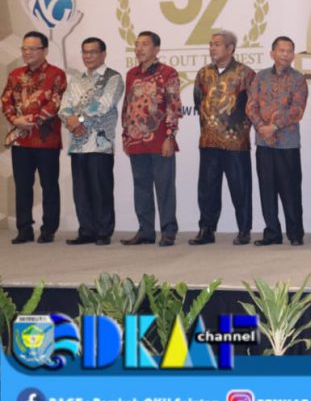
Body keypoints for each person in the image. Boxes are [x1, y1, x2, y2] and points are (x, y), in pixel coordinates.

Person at [190, 30, 255, 246]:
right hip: (208, 141)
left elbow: (252, 107)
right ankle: (206, 230)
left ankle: (244, 230)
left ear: (230, 49)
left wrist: (237, 129)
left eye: (217, 44)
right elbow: (198, 102)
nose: (212, 48)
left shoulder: (245, 73)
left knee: (240, 188)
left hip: (235, 143)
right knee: (207, 188)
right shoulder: (203, 73)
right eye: (211, 44)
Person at [2, 31, 67, 244]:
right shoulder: (15, 74)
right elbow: (6, 100)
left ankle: (49, 229)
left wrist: (31, 120)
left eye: (32, 49)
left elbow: (55, 103)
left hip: (46, 140)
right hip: (21, 141)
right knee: (22, 186)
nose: (27, 52)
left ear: (45, 50)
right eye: (24, 48)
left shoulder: (56, 74)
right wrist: (15, 119)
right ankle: (24, 229)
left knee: (49, 185)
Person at [58, 37, 124, 246]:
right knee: (81, 191)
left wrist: (77, 119)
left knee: (101, 190)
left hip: (100, 144)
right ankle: (87, 231)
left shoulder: (113, 78)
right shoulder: (76, 79)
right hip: (78, 144)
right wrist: (71, 121)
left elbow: (103, 105)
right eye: (85, 52)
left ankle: (104, 231)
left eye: (93, 52)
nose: (88, 56)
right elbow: (64, 106)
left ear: (103, 54)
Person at [120, 31, 182, 247]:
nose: (139, 48)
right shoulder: (132, 74)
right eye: (137, 44)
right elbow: (127, 106)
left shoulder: (168, 73)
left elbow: (174, 106)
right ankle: (145, 231)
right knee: (141, 187)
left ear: (156, 49)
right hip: (135, 140)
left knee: (165, 187)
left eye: (145, 44)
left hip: (160, 140)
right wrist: (125, 135)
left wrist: (170, 136)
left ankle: (168, 231)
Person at [247, 36, 308, 246]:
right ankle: (272, 233)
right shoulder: (260, 77)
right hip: (264, 143)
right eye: (281, 50)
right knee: (267, 190)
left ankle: (295, 234)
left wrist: (273, 127)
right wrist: (261, 127)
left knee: (291, 191)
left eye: (289, 51)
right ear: (272, 53)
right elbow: (251, 106)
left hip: (288, 144)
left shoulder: (298, 79)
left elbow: (297, 110)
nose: (285, 54)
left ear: (293, 55)